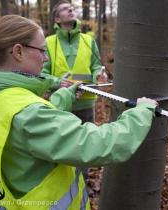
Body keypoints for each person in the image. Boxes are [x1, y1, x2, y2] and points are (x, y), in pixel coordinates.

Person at [0, 15, 158, 210]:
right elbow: (98, 144)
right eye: (41, 51)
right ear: (18, 52)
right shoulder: (28, 114)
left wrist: (64, 96)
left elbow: (34, 130)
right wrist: (141, 112)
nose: (45, 58)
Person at [43, 0, 107, 182]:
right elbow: (42, 73)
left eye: (71, 8)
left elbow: (96, 67)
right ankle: (62, 183)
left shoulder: (89, 41)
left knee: (84, 146)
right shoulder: (49, 43)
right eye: (64, 9)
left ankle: (82, 184)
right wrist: (58, 82)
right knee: (61, 145)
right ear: (57, 18)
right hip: (59, 104)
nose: (70, 9)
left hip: (86, 102)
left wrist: (98, 76)